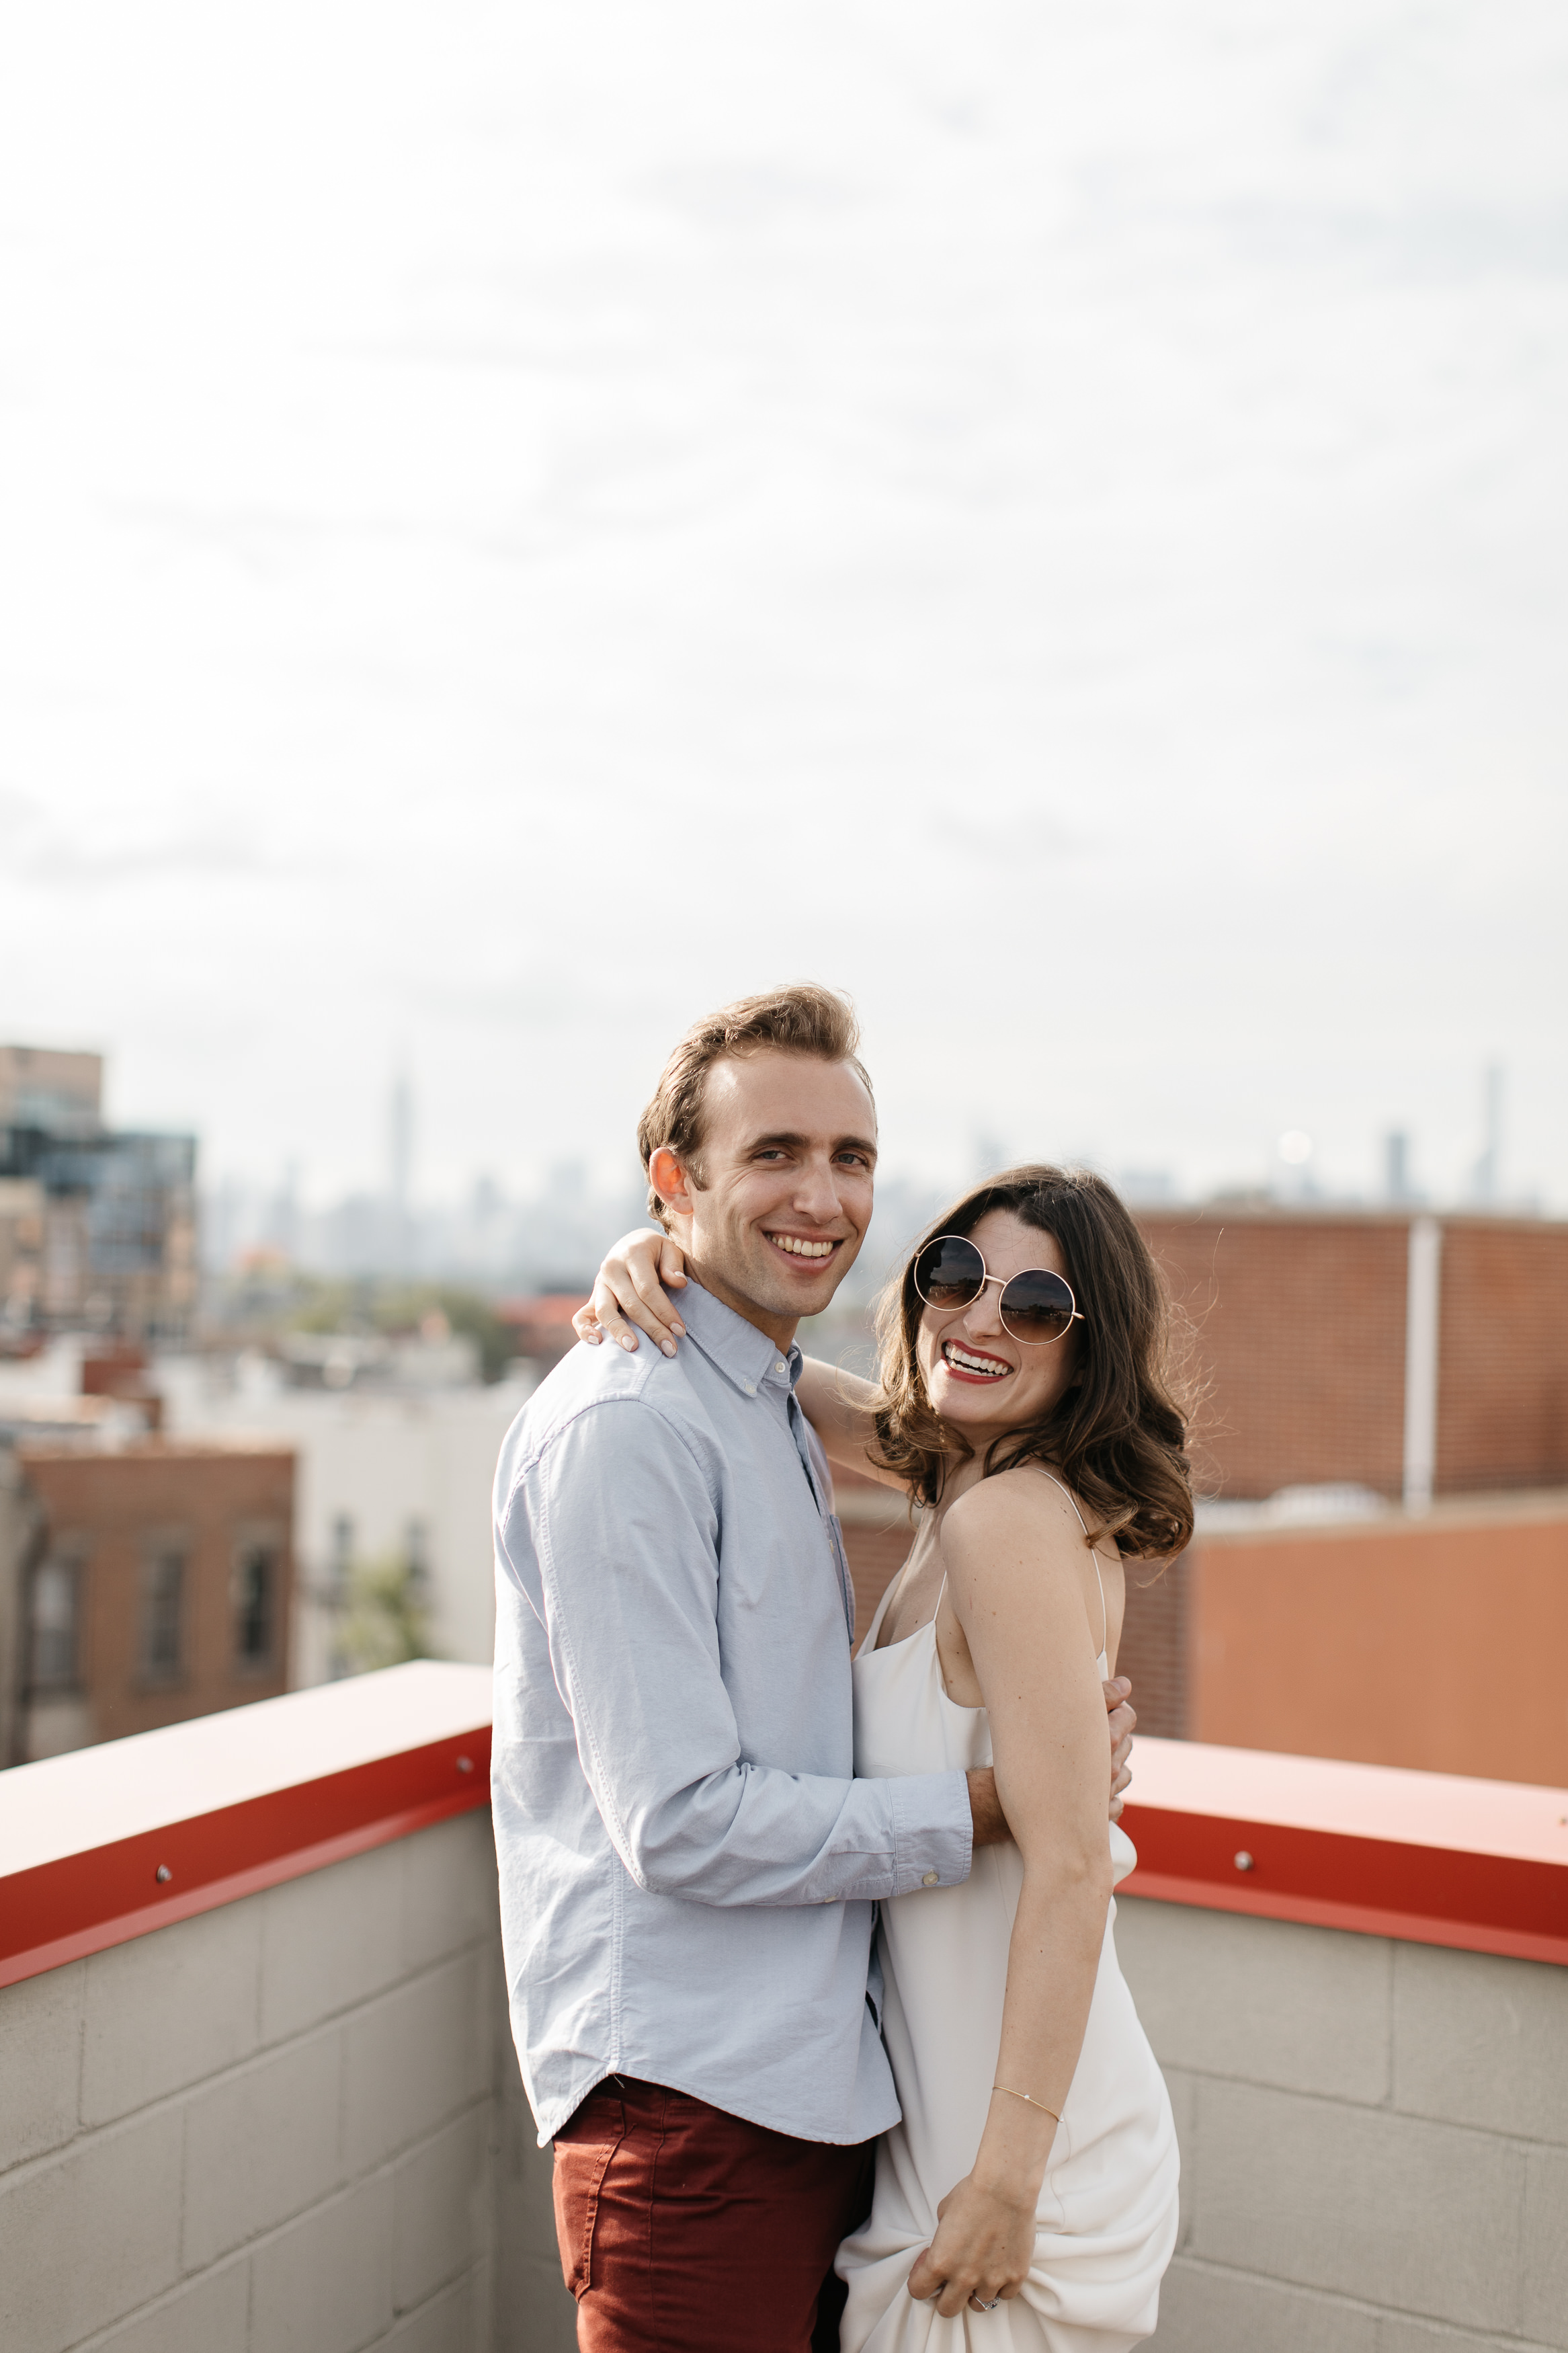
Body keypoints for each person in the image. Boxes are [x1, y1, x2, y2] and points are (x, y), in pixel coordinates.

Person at [492, 984, 1136, 2353]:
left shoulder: (811, 1417)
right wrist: (982, 1802)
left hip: (840, 2101)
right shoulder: (642, 1425)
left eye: (852, 1159)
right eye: (774, 1152)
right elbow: (677, 1820)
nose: (824, 1195)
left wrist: (678, 1239)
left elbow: (870, 1397)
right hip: (695, 2116)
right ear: (678, 1176)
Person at [581, 1160, 1189, 2346]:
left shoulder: (1003, 1521)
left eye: (1032, 1309)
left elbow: (1073, 1871)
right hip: (948, 2131)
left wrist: (1009, 2180)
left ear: (1087, 1348)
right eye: (954, 1275)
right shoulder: (963, 1481)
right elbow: (803, 1385)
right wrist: (655, 1266)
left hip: (1017, 2161)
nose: (974, 1320)